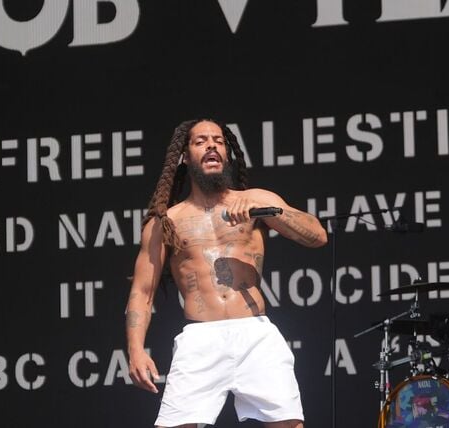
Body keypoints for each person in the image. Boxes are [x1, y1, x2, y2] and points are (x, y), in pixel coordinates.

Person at [125, 118, 327, 428]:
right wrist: (136, 350)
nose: (211, 146)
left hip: (255, 332)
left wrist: (270, 212)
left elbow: (317, 236)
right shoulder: (167, 221)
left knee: (289, 425)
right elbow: (142, 291)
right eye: (201, 141)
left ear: (227, 153)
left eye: (218, 141)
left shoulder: (257, 200)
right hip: (201, 337)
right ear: (185, 156)